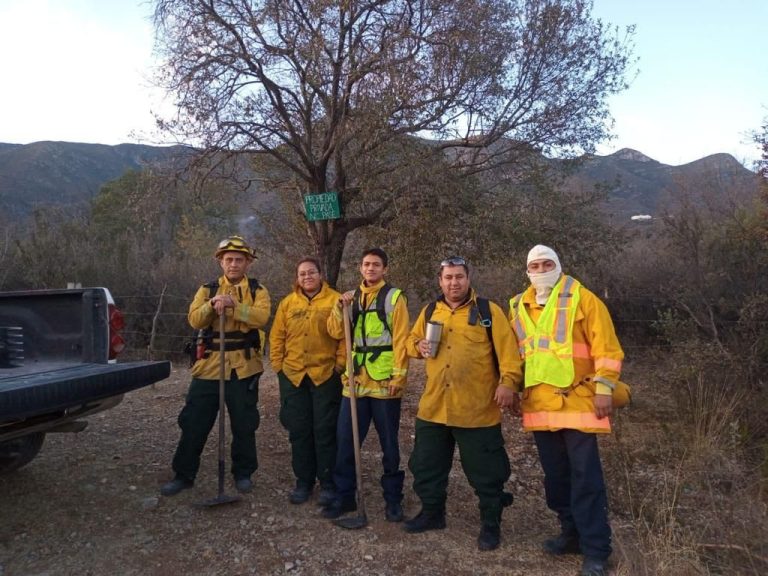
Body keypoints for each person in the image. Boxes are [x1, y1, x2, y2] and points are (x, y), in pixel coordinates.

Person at [508, 245, 624, 576]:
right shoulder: (517, 306)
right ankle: (570, 534)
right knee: (556, 478)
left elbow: (607, 349)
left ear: (558, 266)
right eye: (535, 265)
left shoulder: (584, 299)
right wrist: (513, 389)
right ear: (527, 270)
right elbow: (519, 356)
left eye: (547, 263)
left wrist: (604, 389)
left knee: (586, 478)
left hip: (580, 405)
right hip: (540, 407)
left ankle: (596, 551)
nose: (541, 269)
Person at [403, 256, 522, 551]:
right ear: (440, 281)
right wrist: (417, 346)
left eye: (459, 277)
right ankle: (432, 514)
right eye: (448, 277)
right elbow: (409, 341)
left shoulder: (488, 311)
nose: (453, 282)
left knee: (487, 472)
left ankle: (491, 525)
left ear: (468, 279)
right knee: (427, 466)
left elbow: (510, 354)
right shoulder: (431, 310)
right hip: (434, 408)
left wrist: (508, 383)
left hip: (477, 410)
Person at [161, 236, 271, 497]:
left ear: (247, 263)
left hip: (244, 367)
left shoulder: (258, 290)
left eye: (239, 260)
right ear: (221, 262)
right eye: (229, 259)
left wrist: (234, 307)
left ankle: (243, 473)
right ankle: (184, 474)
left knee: (244, 423)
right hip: (209, 366)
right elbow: (194, 319)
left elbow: (261, 317)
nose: (233, 264)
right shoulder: (207, 289)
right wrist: (212, 305)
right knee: (193, 422)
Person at [322, 247, 410, 522]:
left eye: (376, 265)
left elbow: (401, 340)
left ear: (385, 269)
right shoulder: (350, 298)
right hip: (355, 382)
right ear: (360, 268)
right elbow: (336, 332)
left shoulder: (394, 298)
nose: (370, 269)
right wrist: (339, 308)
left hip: (385, 384)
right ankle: (345, 496)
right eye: (366, 264)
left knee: (389, 445)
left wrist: (399, 377)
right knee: (346, 441)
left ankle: (393, 501)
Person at [269, 257, 345, 506]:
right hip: (293, 376)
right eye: (302, 274)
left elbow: (345, 337)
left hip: (325, 376)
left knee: (325, 430)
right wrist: (278, 366)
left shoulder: (336, 300)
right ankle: (303, 481)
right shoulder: (287, 303)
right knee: (299, 430)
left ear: (320, 274)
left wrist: (339, 366)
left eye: (311, 272)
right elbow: (277, 336)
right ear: (297, 278)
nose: (307, 277)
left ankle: (327, 482)